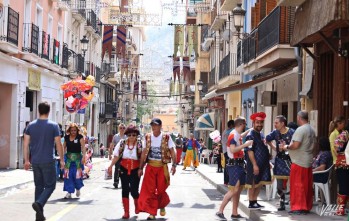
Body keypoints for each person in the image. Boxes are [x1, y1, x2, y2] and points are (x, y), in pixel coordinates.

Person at [23, 102, 65, 221]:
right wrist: (61, 159)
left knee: (39, 186)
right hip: (48, 160)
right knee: (51, 186)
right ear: (49, 111)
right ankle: (40, 203)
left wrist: (27, 160)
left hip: (35, 161)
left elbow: (25, 144)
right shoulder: (53, 126)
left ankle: (39, 216)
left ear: (38, 110)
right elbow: (58, 144)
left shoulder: (30, 126)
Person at [137, 118, 177, 220]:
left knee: (161, 189)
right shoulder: (147, 137)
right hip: (150, 166)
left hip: (162, 167)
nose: (154, 127)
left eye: (156, 125)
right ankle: (152, 213)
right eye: (152, 125)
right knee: (149, 191)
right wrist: (140, 168)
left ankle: (162, 205)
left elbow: (172, 151)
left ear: (160, 126)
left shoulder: (166, 137)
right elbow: (144, 152)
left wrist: (174, 165)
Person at [215, 118, 253, 220]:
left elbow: (240, 136)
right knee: (234, 189)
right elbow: (232, 149)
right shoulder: (233, 135)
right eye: (245, 124)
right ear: (241, 124)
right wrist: (246, 144)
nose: (246, 125)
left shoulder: (236, 134)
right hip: (234, 165)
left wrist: (249, 131)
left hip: (239, 165)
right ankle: (220, 211)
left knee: (238, 189)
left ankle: (234, 212)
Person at [280, 110, 315, 215]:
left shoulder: (301, 130)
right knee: (306, 186)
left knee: (297, 185)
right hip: (307, 160)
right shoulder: (311, 129)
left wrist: (285, 147)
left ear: (299, 118)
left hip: (299, 161)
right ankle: (306, 207)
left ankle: (298, 207)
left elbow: (296, 145)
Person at [108, 125, 143, 219]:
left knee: (134, 190)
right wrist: (111, 166)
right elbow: (116, 156)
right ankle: (126, 212)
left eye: (134, 135)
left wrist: (141, 168)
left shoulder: (140, 144)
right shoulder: (122, 143)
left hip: (135, 169)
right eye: (130, 135)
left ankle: (137, 204)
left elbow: (143, 158)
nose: (132, 137)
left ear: (137, 136)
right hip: (123, 169)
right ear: (127, 135)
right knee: (125, 189)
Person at [266, 115, 295, 211]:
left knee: (293, 183)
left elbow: (296, 144)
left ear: (283, 123)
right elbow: (267, 139)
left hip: (290, 160)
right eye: (274, 122)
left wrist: (288, 148)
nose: (275, 124)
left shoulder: (291, 132)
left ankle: (293, 203)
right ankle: (282, 201)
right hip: (279, 160)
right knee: (279, 185)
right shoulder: (275, 132)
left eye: (276, 123)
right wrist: (274, 147)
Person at [245, 112, 272, 209]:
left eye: (261, 122)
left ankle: (255, 201)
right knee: (253, 183)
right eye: (257, 122)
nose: (259, 124)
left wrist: (267, 161)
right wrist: (255, 165)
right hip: (254, 164)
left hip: (263, 164)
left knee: (259, 183)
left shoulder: (261, 134)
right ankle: (251, 202)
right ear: (253, 123)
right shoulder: (250, 135)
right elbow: (250, 151)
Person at [63, 123, 86, 199]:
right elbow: (64, 148)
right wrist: (62, 158)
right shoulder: (66, 137)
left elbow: (83, 147)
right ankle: (69, 192)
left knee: (77, 175)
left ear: (77, 131)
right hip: (68, 159)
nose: (73, 132)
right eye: (72, 130)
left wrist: (83, 157)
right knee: (68, 175)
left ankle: (78, 188)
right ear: (69, 131)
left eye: (75, 130)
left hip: (77, 160)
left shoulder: (80, 137)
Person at [333, 123, 349, 215]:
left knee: (343, 186)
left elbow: (337, 149)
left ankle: (340, 209)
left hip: (343, 164)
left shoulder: (343, 135)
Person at [109, 123, 127, 188]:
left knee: (124, 169)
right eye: (120, 128)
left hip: (125, 155)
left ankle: (124, 182)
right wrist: (110, 154)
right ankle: (116, 182)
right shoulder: (115, 136)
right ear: (118, 129)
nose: (122, 129)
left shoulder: (126, 136)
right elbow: (112, 145)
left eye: (123, 128)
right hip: (117, 155)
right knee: (117, 168)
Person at [221, 120, 235, 185]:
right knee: (230, 165)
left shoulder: (225, 131)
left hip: (225, 150)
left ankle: (226, 181)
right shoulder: (230, 132)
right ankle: (229, 181)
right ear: (232, 125)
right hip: (228, 151)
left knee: (227, 165)